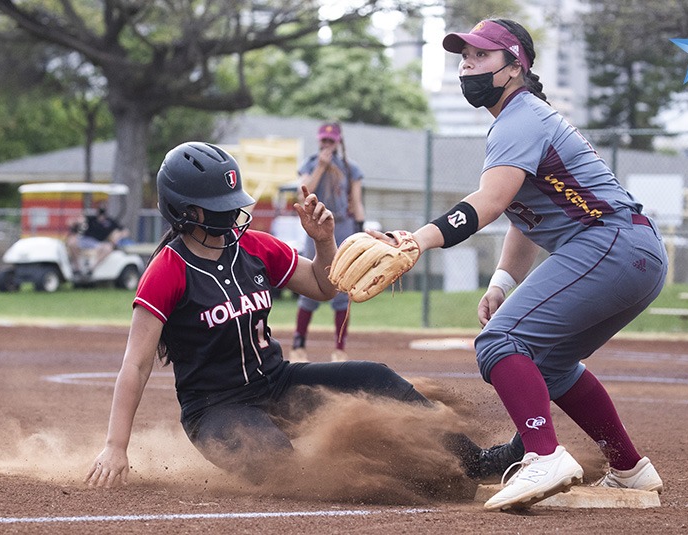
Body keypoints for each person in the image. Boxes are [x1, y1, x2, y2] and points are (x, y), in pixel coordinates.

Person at [84, 141, 524, 489]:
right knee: (286, 468)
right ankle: (414, 480)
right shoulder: (167, 270)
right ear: (185, 211)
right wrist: (114, 447)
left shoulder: (255, 247)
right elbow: (136, 364)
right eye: (218, 204)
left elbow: (322, 284)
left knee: (375, 376)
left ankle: (474, 462)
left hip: (276, 382)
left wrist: (324, 241)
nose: (232, 210)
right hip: (214, 409)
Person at [367, 19, 668, 511]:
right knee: (551, 364)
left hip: (610, 244)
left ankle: (544, 456)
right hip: (631, 251)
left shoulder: (519, 119)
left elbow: (489, 202)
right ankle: (630, 468)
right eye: (464, 55)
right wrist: (503, 281)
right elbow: (523, 216)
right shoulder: (524, 118)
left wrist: (415, 241)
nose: (467, 63)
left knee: (500, 343)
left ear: (515, 66)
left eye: (482, 55)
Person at [289, 122, 366, 363]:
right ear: (318, 140)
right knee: (311, 281)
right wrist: (321, 167)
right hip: (316, 226)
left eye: (331, 141)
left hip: (341, 226)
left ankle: (339, 349)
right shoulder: (311, 164)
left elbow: (356, 201)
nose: (327, 145)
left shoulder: (350, 168)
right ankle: (298, 344)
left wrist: (360, 231)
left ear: (338, 142)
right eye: (324, 140)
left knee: (343, 286)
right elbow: (303, 194)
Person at [67, 203, 130, 273]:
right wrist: (77, 221)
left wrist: (118, 235)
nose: (101, 217)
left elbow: (125, 231)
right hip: (85, 240)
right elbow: (73, 222)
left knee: (108, 248)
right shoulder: (91, 219)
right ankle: (77, 267)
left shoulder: (110, 222)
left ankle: (92, 268)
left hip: (98, 243)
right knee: (71, 242)